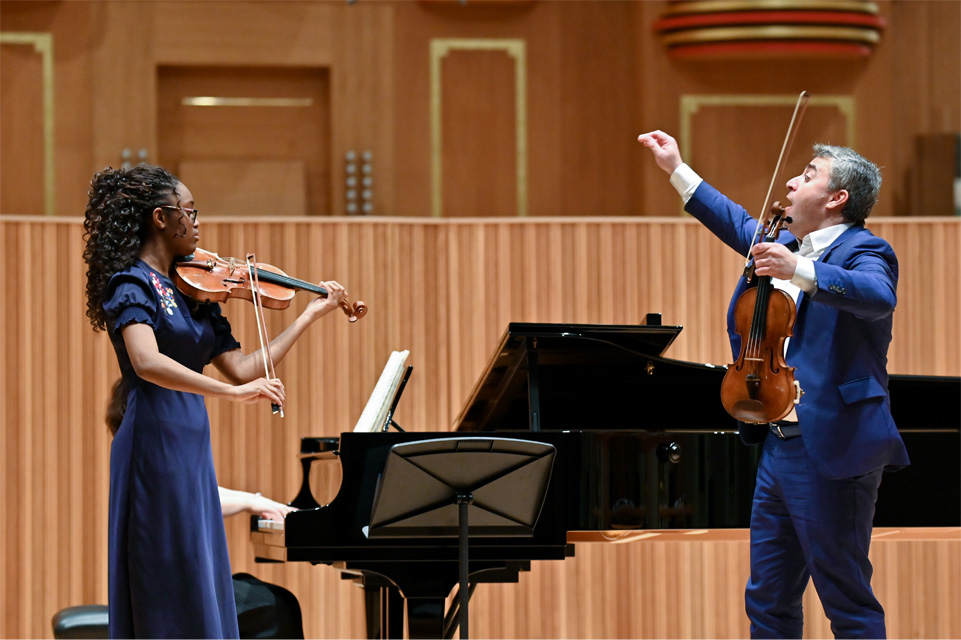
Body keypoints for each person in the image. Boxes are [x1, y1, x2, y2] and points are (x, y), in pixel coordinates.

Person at [637, 131, 909, 639]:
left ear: (836, 198)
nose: (790, 180)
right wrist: (675, 166)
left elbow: (877, 295)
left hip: (833, 448)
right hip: (778, 447)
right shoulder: (782, 242)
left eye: (807, 175)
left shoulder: (865, 250)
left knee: (846, 601)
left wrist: (801, 269)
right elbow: (735, 220)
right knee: (767, 601)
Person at [83, 164, 346, 639]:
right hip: (152, 443)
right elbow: (146, 362)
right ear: (162, 218)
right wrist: (230, 393)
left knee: (197, 574)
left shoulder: (196, 293)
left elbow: (245, 367)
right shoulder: (131, 284)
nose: (198, 222)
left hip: (189, 444)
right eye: (189, 210)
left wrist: (309, 315)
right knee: (165, 579)